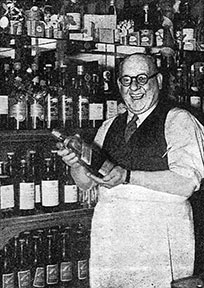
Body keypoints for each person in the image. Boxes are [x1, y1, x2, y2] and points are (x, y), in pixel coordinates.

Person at [57, 53, 204, 288]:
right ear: (118, 85)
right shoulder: (109, 125)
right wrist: (76, 163)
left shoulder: (179, 120)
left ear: (159, 81)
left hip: (158, 238)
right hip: (112, 236)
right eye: (126, 80)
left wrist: (127, 176)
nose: (134, 87)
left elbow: (187, 182)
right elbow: (86, 183)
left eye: (142, 78)